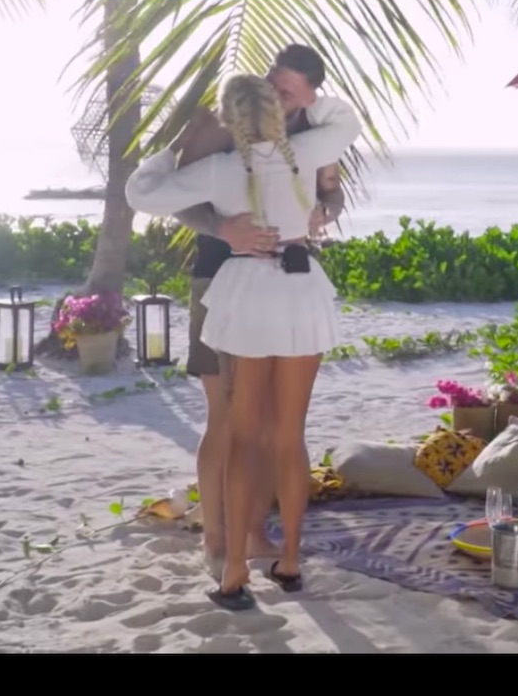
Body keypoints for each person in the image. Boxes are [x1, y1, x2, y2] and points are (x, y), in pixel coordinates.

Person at [126, 72, 361, 610]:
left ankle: (234, 569)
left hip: (249, 293)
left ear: (230, 120)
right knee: (290, 435)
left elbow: (141, 193)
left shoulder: (221, 169)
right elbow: (346, 120)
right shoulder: (310, 150)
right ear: (278, 113)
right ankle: (291, 561)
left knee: (244, 434)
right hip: (300, 289)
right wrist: (311, 102)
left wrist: (171, 152)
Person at [172, 45, 345, 580]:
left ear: (309, 97)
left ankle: (253, 531)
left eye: (290, 92)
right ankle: (216, 537)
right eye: (274, 82)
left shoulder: (311, 135)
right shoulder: (219, 122)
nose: (277, 95)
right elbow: (178, 195)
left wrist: (324, 211)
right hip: (220, 278)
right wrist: (223, 228)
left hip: (283, 281)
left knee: (274, 424)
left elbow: (333, 192)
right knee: (226, 417)